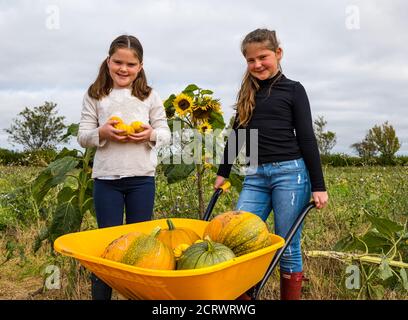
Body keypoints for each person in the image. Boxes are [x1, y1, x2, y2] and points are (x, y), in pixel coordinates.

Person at [214, 29, 328, 300]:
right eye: (250, 60)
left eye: (263, 57)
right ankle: (243, 297)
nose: (257, 65)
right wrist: (222, 173)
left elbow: (307, 139)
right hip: (254, 175)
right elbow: (238, 135)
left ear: (278, 54)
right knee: (235, 238)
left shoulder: (293, 90)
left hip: (290, 174)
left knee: (286, 244)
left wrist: (319, 186)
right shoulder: (247, 93)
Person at [77, 35, 171, 300]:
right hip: (106, 180)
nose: (123, 69)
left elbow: (165, 133)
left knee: (141, 247)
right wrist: (102, 132)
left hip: (142, 179)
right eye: (118, 62)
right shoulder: (96, 95)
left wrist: (151, 134)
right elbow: (83, 136)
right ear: (108, 61)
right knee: (107, 246)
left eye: (130, 64)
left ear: (140, 66)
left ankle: (137, 296)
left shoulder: (149, 96)